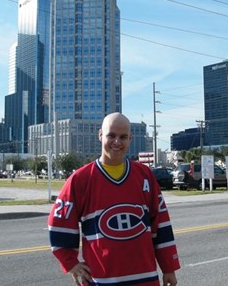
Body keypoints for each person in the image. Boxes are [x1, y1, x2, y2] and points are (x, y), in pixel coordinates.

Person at [48, 112, 180, 285]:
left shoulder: (144, 175)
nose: (117, 142)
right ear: (100, 135)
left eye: (123, 137)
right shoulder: (80, 179)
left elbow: (160, 224)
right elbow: (59, 222)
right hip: (101, 279)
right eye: (111, 135)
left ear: (130, 139)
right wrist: (70, 262)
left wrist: (168, 267)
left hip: (145, 278)